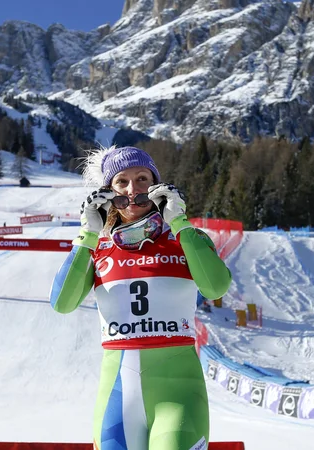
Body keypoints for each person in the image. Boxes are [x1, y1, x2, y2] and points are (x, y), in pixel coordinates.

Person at [50, 146, 232, 450]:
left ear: (156, 184)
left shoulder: (185, 240)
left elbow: (215, 287)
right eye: (122, 182)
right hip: (117, 398)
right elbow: (62, 303)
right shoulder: (98, 249)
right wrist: (87, 235)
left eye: (142, 178)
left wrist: (181, 223)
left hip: (178, 396)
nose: (133, 189)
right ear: (109, 192)